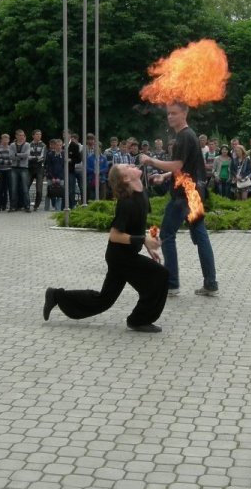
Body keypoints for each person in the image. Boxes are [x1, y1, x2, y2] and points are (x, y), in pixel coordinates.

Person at [42, 163, 168, 333]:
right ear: (126, 178)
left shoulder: (141, 192)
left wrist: (147, 244)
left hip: (124, 256)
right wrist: (143, 239)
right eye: (127, 166)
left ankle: (56, 295)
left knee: (103, 300)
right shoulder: (126, 202)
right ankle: (139, 320)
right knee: (160, 275)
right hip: (121, 258)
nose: (132, 164)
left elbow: (139, 224)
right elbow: (114, 235)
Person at [139, 102, 218, 298]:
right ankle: (210, 283)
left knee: (166, 234)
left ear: (185, 113)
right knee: (201, 238)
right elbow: (185, 168)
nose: (170, 117)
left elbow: (177, 164)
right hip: (194, 195)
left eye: (174, 113)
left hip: (183, 196)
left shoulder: (184, 136)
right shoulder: (188, 136)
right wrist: (165, 176)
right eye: (168, 114)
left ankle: (172, 284)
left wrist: (151, 160)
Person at [9, 129, 31, 212]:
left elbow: (26, 155)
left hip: (24, 168)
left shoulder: (27, 145)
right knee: (13, 188)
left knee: (25, 188)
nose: (22, 137)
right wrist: (20, 156)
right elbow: (10, 156)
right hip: (14, 168)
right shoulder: (12, 145)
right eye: (20, 135)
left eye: (23, 135)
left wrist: (16, 155)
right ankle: (13, 206)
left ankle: (27, 206)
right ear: (16, 136)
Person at [28, 129, 46, 211]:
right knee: (26, 186)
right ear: (33, 135)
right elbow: (27, 157)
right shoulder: (29, 145)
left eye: (40, 134)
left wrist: (33, 158)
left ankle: (36, 205)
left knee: (39, 189)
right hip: (30, 168)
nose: (39, 136)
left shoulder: (43, 145)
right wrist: (35, 158)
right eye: (37, 134)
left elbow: (42, 157)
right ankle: (26, 203)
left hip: (39, 169)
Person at [0, 134, 13, 211]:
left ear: (9, 140)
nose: (5, 141)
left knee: (7, 189)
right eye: (4, 139)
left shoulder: (11, 149)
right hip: (0, 170)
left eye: (7, 139)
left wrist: (6, 161)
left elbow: (13, 160)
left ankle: (5, 205)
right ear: (1, 140)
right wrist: (8, 161)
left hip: (9, 170)